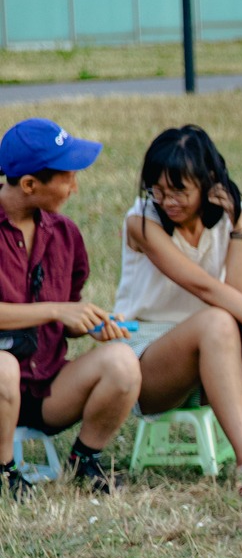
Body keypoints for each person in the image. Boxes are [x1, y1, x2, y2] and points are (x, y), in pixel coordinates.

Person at [117, 125, 242, 498]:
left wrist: (238, 227)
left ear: (208, 183)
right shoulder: (141, 221)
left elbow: (239, 296)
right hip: (148, 362)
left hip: (216, 355)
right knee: (226, 319)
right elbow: (205, 288)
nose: (166, 200)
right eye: (157, 189)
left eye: (178, 191)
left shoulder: (238, 216)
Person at [0, 118, 138, 496]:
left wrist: (92, 324)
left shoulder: (65, 234)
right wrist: (57, 310)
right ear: (29, 184)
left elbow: (68, 313)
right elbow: (59, 310)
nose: (75, 187)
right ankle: (6, 473)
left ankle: (84, 460)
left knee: (123, 362)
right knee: (3, 368)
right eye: (67, 177)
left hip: (47, 386)